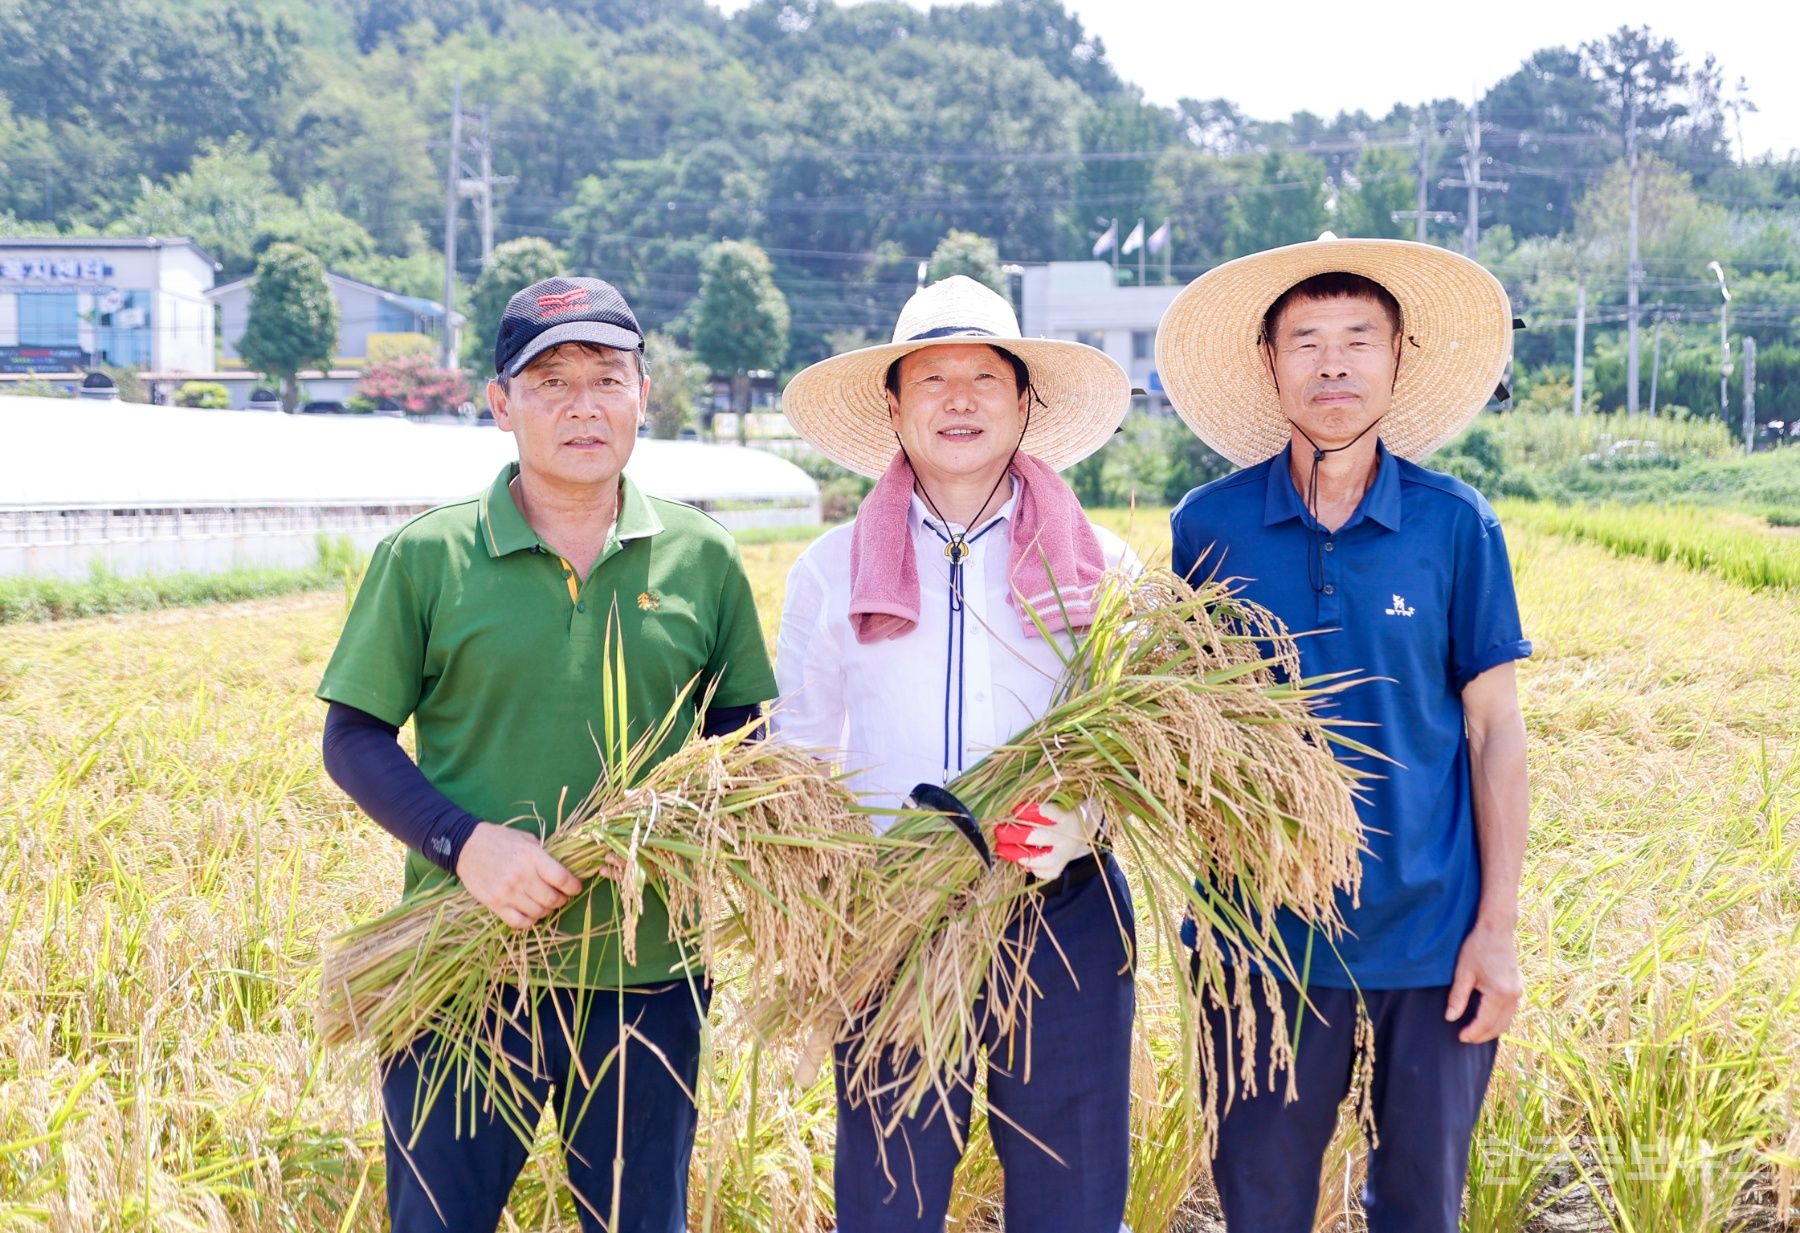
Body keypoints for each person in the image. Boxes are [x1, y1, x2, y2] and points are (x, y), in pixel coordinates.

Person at [317, 276, 777, 1233]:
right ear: (500, 404)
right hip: (462, 977)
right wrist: (464, 844)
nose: (583, 405)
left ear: (643, 394)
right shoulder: (428, 557)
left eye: (607, 378)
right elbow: (353, 737)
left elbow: (746, 744)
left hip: (646, 978)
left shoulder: (704, 557)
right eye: (550, 380)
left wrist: (685, 829)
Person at [1156, 235, 1531, 1233]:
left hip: (1430, 939)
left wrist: (1494, 935)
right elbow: (1178, 726)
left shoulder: (1457, 525)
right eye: (1307, 340)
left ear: (1399, 359)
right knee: (1261, 1204)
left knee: (1419, 1206)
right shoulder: (1210, 526)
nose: (1334, 363)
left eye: (1360, 339)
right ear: (1270, 364)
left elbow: (1495, 733)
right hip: (1258, 941)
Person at [774, 275, 1139, 1233]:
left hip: (1062, 907)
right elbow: (802, 750)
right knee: (888, 1197)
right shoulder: (831, 569)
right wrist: (836, 891)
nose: (961, 397)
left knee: (1072, 1195)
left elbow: (1142, 749)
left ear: (1027, 401)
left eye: (986, 375)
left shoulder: (1104, 565)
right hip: (893, 911)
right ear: (893, 405)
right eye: (932, 378)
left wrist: (1083, 826)